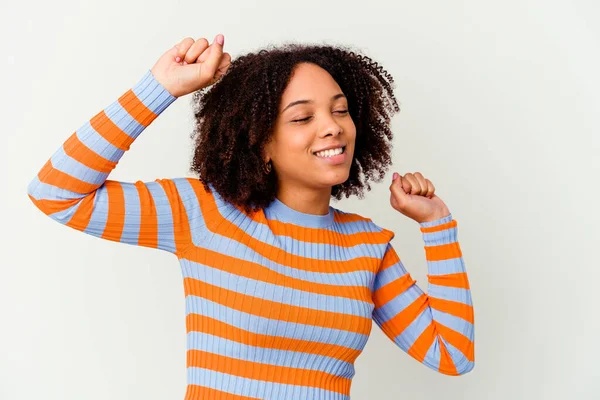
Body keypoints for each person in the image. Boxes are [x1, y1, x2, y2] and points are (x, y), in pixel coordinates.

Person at [27, 33, 475, 399]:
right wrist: (158, 89)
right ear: (261, 141)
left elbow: (453, 354)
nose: (332, 126)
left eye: (340, 110)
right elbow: (56, 192)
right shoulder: (204, 214)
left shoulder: (366, 245)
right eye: (302, 118)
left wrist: (437, 225)